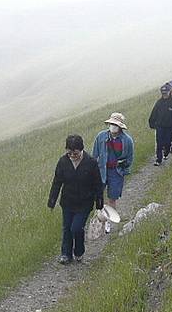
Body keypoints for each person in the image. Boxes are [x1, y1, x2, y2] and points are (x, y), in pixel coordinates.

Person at [48, 135, 103, 263]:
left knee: (76, 228)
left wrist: (99, 204)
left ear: (81, 150)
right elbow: (57, 182)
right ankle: (66, 255)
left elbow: (98, 184)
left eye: (75, 153)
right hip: (67, 201)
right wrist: (51, 201)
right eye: (69, 153)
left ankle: (79, 251)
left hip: (85, 203)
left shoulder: (91, 162)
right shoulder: (62, 162)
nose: (72, 155)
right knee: (67, 228)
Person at [91, 113, 134, 233]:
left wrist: (124, 169)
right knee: (99, 195)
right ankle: (99, 219)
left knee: (112, 198)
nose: (113, 126)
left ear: (120, 127)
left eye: (115, 124)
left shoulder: (127, 140)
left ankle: (109, 222)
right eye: (111, 124)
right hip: (101, 170)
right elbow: (94, 154)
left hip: (116, 172)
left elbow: (130, 158)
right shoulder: (101, 137)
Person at [148, 84, 172, 166]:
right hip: (160, 126)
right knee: (159, 143)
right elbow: (154, 114)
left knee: (168, 143)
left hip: (170, 127)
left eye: (166, 93)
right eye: (163, 93)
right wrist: (151, 123)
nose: (164, 94)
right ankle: (158, 159)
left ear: (169, 92)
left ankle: (166, 152)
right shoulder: (159, 103)